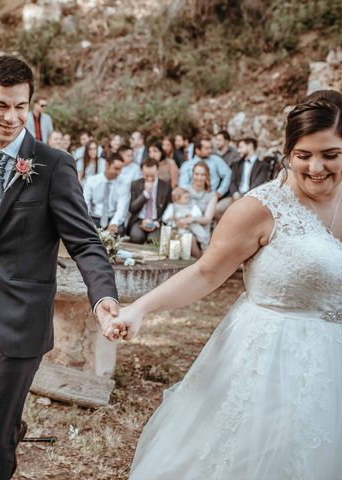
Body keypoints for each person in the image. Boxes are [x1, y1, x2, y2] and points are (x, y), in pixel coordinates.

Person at [114, 89, 342, 479]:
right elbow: (206, 272)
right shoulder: (260, 209)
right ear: (287, 154)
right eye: (303, 156)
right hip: (269, 364)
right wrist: (140, 308)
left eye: (331, 155)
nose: (316, 167)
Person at [0, 55, 119, 480]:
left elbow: (85, 241)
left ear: (30, 106)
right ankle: (10, 433)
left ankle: (2, 440)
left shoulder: (53, 165)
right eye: (1, 105)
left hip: (22, 319)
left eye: (19, 106)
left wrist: (103, 296)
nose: (11, 117)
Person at [215, 137, 272, 220]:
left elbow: (257, 185)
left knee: (243, 214)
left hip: (252, 199)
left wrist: (243, 196)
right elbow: (232, 182)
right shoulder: (236, 164)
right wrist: (235, 193)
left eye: (241, 147)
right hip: (235, 196)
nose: (238, 151)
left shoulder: (263, 166)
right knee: (218, 209)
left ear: (250, 146)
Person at [126, 157, 172, 244]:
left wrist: (156, 223)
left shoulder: (166, 187)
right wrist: (145, 193)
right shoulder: (135, 184)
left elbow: (169, 209)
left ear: (157, 171)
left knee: (154, 241)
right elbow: (132, 208)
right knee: (136, 237)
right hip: (140, 220)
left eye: (152, 176)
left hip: (157, 221)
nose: (150, 178)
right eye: (146, 175)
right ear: (142, 172)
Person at [83, 153, 129, 234]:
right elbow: (85, 203)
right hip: (95, 217)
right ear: (107, 165)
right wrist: (87, 220)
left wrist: (114, 223)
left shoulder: (124, 184)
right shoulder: (92, 181)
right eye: (116, 168)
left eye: (120, 169)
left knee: (118, 232)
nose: (118, 172)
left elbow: (122, 208)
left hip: (113, 217)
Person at [161, 187, 209, 254]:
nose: (188, 200)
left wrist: (191, 216)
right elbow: (165, 218)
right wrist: (172, 217)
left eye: (188, 198)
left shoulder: (191, 205)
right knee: (183, 235)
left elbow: (198, 213)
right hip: (179, 227)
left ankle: (205, 245)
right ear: (177, 199)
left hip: (191, 224)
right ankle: (182, 252)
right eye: (185, 198)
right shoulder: (173, 207)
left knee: (200, 231)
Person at [185, 161, 218, 256]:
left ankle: (200, 260)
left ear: (207, 176)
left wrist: (192, 219)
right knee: (186, 236)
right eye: (197, 174)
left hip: (202, 232)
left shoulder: (212, 195)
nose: (199, 178)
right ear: (192, 174)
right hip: (185, 228)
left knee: (189, 239)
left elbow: (207, 219)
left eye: (203, 175)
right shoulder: (185, 190)